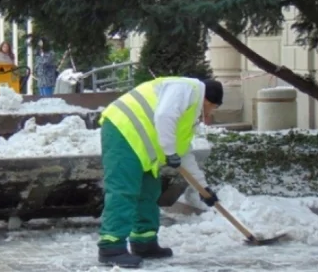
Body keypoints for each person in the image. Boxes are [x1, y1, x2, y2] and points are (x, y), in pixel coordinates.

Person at [96, 76, 224, 268]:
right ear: (208, 101)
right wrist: (170, 151)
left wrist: (203, 188)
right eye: (213, 108)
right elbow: (164, 116)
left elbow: (184, 153)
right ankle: (111, 247)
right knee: (123, 190)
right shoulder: (186, 89)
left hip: (143, 147)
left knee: (149, 192)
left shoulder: (189, 114)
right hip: (123, 130)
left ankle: (144, 242)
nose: (210, 113)